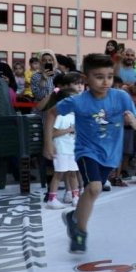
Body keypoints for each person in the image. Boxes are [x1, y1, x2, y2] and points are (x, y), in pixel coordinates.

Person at [44, 54, 136, 253]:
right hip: (86, 151)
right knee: (95, 187)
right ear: (85, 78)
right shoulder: (78, 101)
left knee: (92, 192)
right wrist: (48, 142)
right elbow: (51, 113)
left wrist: (134, 122)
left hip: (111, 155)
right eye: (99, 76)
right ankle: (80, 232)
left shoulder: (121, 96)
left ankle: (73, 218)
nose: (105, 81)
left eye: (109, 76)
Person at [41, 72, 84, 209]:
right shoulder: (60, 117)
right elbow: (52, 133)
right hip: (61, 150)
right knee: (59, 174)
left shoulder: (74, 116)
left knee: (73, 174)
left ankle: (76, 197)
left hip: (73, 150)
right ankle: (52, 198)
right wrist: (69, 130)